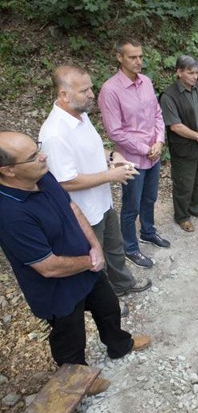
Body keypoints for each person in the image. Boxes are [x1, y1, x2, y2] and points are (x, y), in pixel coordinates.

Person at [0, 131, 151, 396]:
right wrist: (90, 261)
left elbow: (72, 208)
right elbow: (48, 267)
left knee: (108, 308)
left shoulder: (41, 175)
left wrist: (95, 246)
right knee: (69, 339)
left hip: (87, 267)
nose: (43, 156)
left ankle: (120, 345)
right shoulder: (9, 213)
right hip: (56, 289)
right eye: (33, 156)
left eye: (37, 149)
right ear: (8, 171)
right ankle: (80, 381)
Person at [39, 65, 152, 302]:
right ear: (63, 95)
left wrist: (113, 157)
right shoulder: (55, 134)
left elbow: (93, 148)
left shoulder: (81, 115)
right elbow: (65, 181)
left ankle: (123, 283)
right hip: (83, 212)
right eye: (85, 90)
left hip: (102, 201)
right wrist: (110, 177)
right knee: (95, 258)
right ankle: (106, 302)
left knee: (114, 246)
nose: (92, 94)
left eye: (91, 87)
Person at [98, 37, 170, 269]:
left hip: (154, 154)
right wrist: (144, 149)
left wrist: (159, 141)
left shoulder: (146, 82)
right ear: (120, 57)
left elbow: (158, 114)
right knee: (131, 206)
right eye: (133, 57)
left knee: (150, 198)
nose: (139, 61)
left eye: (140, 56)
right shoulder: (110, 90)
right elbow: (115, 132)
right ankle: (130, 248)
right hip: (131, 159)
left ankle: (148, 232)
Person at [160, 55, 198, 233]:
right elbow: (175, 126)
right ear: (179, 72)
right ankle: (182, 216)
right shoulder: (169, 96)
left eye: (197, 73)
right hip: (183, 148)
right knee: (184, 184)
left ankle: (195, 209)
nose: (195, 77)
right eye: (191, 73)